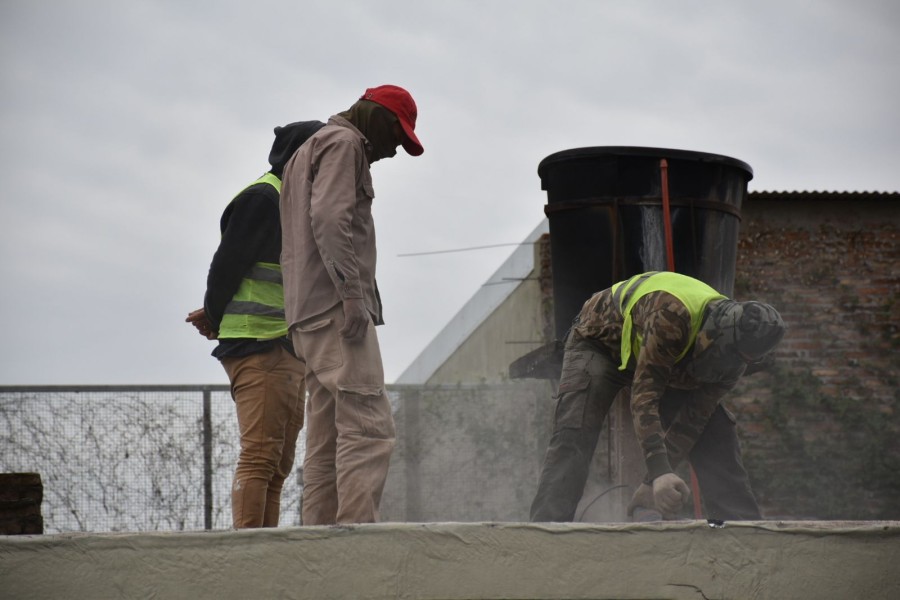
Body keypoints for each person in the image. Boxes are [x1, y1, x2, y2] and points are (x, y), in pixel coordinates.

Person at [530, 270, 786, 522]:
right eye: (725, 354)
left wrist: (652, 481)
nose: (730, 365)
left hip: (664, 351)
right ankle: (547, 531)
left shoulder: (737, 360)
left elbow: (693, 419)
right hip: (602, 341)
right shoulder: (672, 314)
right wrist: (660, 469)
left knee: (716, 429)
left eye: (738, 360)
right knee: (575, 430)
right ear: (718, 330)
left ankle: (741, 535)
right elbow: (645, 396)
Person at [279, 85, 424, 525]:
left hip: (306, 317)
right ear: (374, 116)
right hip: (336, 312)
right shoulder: (344, 144)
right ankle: (359, 541)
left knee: (325, 441)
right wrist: (352, 297)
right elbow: (328, 219)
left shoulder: (305, 151)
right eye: (396, 137)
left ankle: (319, 545)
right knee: (368, 428)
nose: (394, 151)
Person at [186, 120, 324, 528]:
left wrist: (214, 313)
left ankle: (264, 551)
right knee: (262, 455)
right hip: (260, 345)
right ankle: (249, 555)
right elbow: (226, 266)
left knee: (276, 463)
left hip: (281, 347)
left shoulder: (290, 201)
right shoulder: (266, 198)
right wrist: (214, 314)